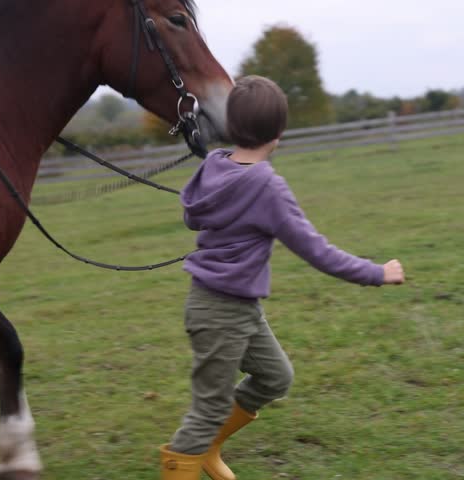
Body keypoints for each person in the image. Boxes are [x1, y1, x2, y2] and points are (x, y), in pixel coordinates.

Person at [159, 75, 405, 480]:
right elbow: (317, 251)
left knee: (275, 376)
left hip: (235, 306)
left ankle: (207, 449)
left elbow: (191, 215)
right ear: (279, 132)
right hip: (219, 311)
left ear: (232, 126)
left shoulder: (215, 166)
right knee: (208, 409)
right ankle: (189, 457)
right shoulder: (266, 185)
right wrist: (376, 273)